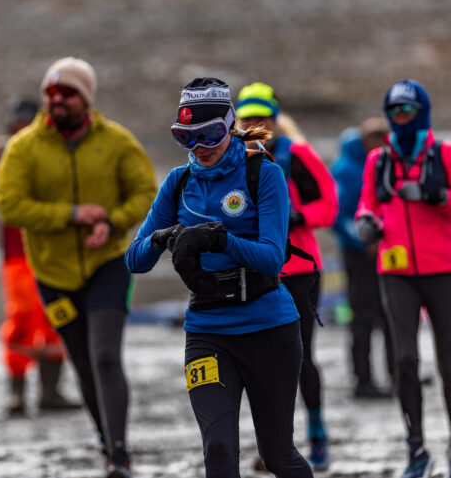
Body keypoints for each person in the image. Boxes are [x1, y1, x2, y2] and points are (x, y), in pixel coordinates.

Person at [125, 77, 314, 478]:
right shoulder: (178, 183)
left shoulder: (262, 173)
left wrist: (219, 238)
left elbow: (271, 257)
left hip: (270, 329)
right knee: (219, 450)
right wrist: (163, 237)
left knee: (278, 455)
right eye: (186, 137)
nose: (199, 148)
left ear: (229, 126)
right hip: (207, 333)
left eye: (209, 135)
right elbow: (133, 260)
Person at [0, 57, 157, 478]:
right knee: (83, 362)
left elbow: (145, 192)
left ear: (85, 98)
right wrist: (71, 214)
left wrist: (113, 221)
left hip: (108, 264)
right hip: (52, 276)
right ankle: (107, 439)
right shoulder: (24, 147)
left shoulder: (118, 141)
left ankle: (119, 455)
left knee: (106, 357)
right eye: (51, 94)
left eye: (67, 94)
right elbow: (9, 205)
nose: (57, 101)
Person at [355, 79, 451, 478]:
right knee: (405, 359)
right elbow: (367, 203)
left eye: (408, 110)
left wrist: (436, 195)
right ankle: (416, 450)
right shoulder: (379, 160)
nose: (401, 117)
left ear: (422, 111)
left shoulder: (447, 155)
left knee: (448, 361)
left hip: (444, 270)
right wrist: (365, 223)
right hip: (396, 271)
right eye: (394, 111)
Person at [235, 82, 338, 470]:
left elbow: (330, 203)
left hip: (300, 271)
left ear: (275, 119)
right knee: (261, 361)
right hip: (258, 271)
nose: (255, 123)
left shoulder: (297, 155)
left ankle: (318, 437)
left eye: (262, 117)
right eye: (248, 117)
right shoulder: (234, 158)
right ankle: (276, 445)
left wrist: (296, 217)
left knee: (299, 357)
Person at [0, 97, 80, 416]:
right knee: (21, 319)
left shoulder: (51, 152)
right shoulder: (7, 155)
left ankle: (50, 391)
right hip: (18, 256)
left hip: (51, 252)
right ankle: (17, 392)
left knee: (55, 317)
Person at [330, 118, 395, 399]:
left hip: (385, 250)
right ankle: (363, 380)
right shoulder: (346, 169)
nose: (382, 143)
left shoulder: (383, 162)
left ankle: (398, 373)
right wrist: (362, 240)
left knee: (392, 314)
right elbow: (337, 214)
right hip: (359, 255)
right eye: (378, 137)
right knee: (363, 317)